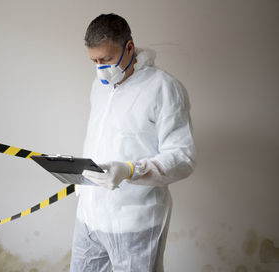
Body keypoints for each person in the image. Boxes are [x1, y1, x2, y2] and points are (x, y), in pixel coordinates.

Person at [70, 13, 196, 272]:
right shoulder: (100, 86)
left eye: (106, 59)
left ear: (129, 47)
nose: (101, 67)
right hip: (89, 216)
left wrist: (130, 170)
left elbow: (183, 157)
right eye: (94, 61)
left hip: (135, 222)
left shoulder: (163, 88)